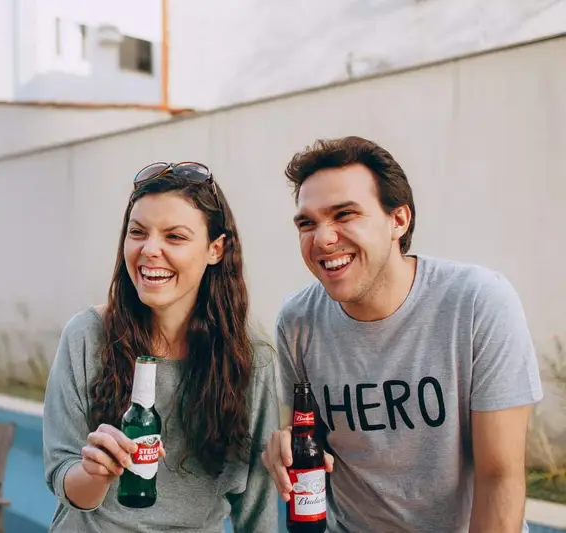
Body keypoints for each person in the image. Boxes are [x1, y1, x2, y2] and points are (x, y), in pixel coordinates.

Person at [262, 136, 544, 532]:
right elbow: (310, 443)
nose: (322, 239)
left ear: (398, 220)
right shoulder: (297, 320)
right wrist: (287, 445)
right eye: (307, 223)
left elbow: (499, 477)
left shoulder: (479, 301)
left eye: (344, 214)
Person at [43, 162, 279, 532]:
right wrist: (96, 472)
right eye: (138, 232)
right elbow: (65, 479)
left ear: (215, 249)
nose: (150, 250)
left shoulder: (251, 354)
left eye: (175, 237)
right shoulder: (86, 336)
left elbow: (257, 506)